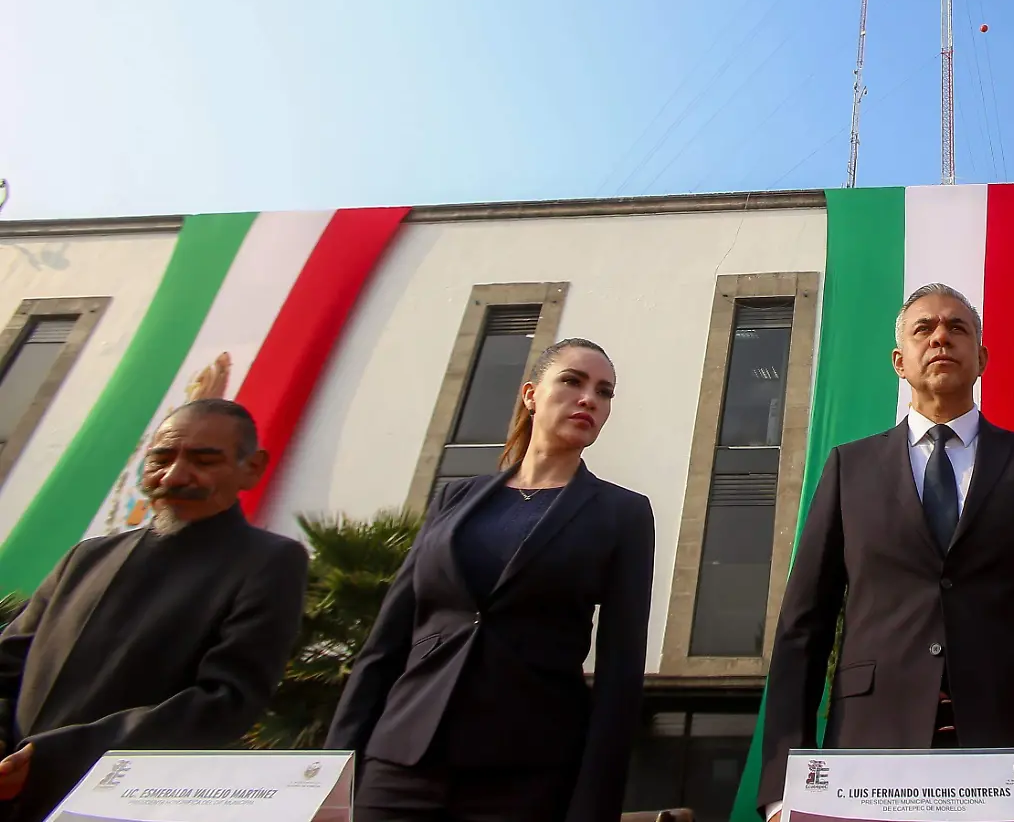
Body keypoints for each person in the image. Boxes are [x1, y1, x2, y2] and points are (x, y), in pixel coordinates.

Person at [760, 285, 1014, 822]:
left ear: (980, 357)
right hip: (872, 757)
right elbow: (803, 629)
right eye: (924, 329)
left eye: (957, 328)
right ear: (899, 361)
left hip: (1013, 757)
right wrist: (783, 787)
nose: (941, 337)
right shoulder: (850, 469)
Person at [327, 338, 655, 822]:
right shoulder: (456, 499)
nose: (589, 399)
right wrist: (333, 771)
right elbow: (386, 642)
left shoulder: (622, 513)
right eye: (571, 381)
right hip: (399, 764)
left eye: (604, 392)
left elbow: (620, 673)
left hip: (526, 773)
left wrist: (593, 805)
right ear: (530, 395)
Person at [0, 399, 308, 822]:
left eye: (204, 460)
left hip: (114, 802)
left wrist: (55, 758)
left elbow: (226, 701)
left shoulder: (269, 562)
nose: (175, 476)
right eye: (161, 458)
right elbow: (8, 663)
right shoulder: (87, 557)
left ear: (251, 468)